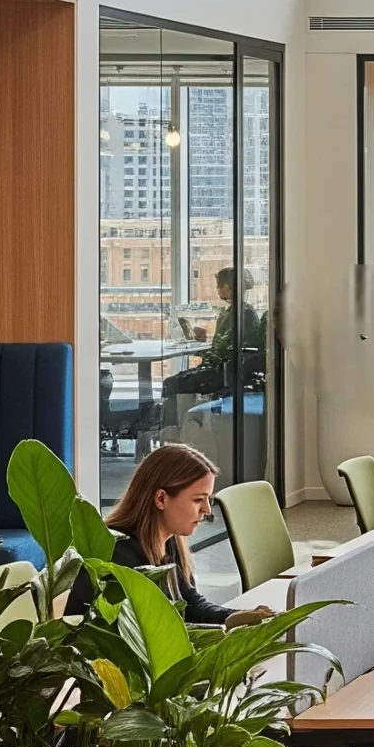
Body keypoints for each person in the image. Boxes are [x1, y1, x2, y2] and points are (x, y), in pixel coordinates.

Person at [66, 443, 275, 627]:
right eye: (198, 500)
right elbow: (144, 637)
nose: (207, 510)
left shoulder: (169, 541)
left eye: (208, 499)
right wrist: (224, 627)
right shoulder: (117, 556)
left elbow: (190, 604)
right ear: (161, 499)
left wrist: (235, 617)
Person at [164, 267, 262, 398]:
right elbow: (225, 346)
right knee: (173, 382)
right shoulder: (238, 312)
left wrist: (201, 350)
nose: (218, 290)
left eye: (219, 286)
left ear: (228, 287)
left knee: (170, 384)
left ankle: (173, 417)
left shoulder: (240, 314)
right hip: (222, 370)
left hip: (223, 374)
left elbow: (227, 351)